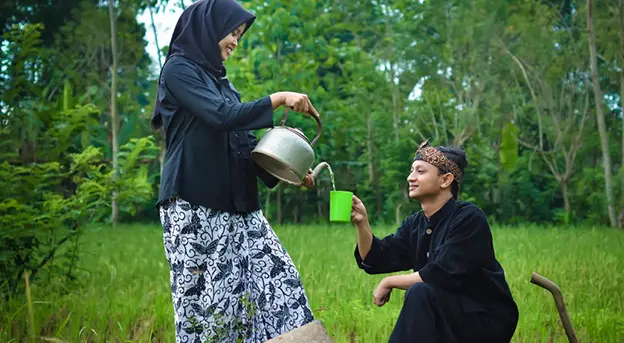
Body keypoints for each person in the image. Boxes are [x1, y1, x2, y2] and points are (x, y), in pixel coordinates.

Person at [150, 0, 317, 341]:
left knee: (280, 279)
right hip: (194, 202)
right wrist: (280, 97)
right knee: (211, 303)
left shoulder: (223, 84)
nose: (235, 42)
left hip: (240, 206)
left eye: (239, 35)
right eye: (232, 32)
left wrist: (289, 170)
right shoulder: (178, 70)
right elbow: (222, 117)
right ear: (208, 29)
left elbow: (242, 142)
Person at [350, 140, 519, 343]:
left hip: (484, 317)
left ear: (446, 180)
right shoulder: (416, 223)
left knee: (421, 292)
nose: (410, 178)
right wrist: (362, 223)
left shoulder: (468, 218)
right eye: (412, 171)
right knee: (421, 293)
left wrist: (389, 282)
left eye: (420, 171)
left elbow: (441, 273)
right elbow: (378, 258)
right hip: (445, 311)